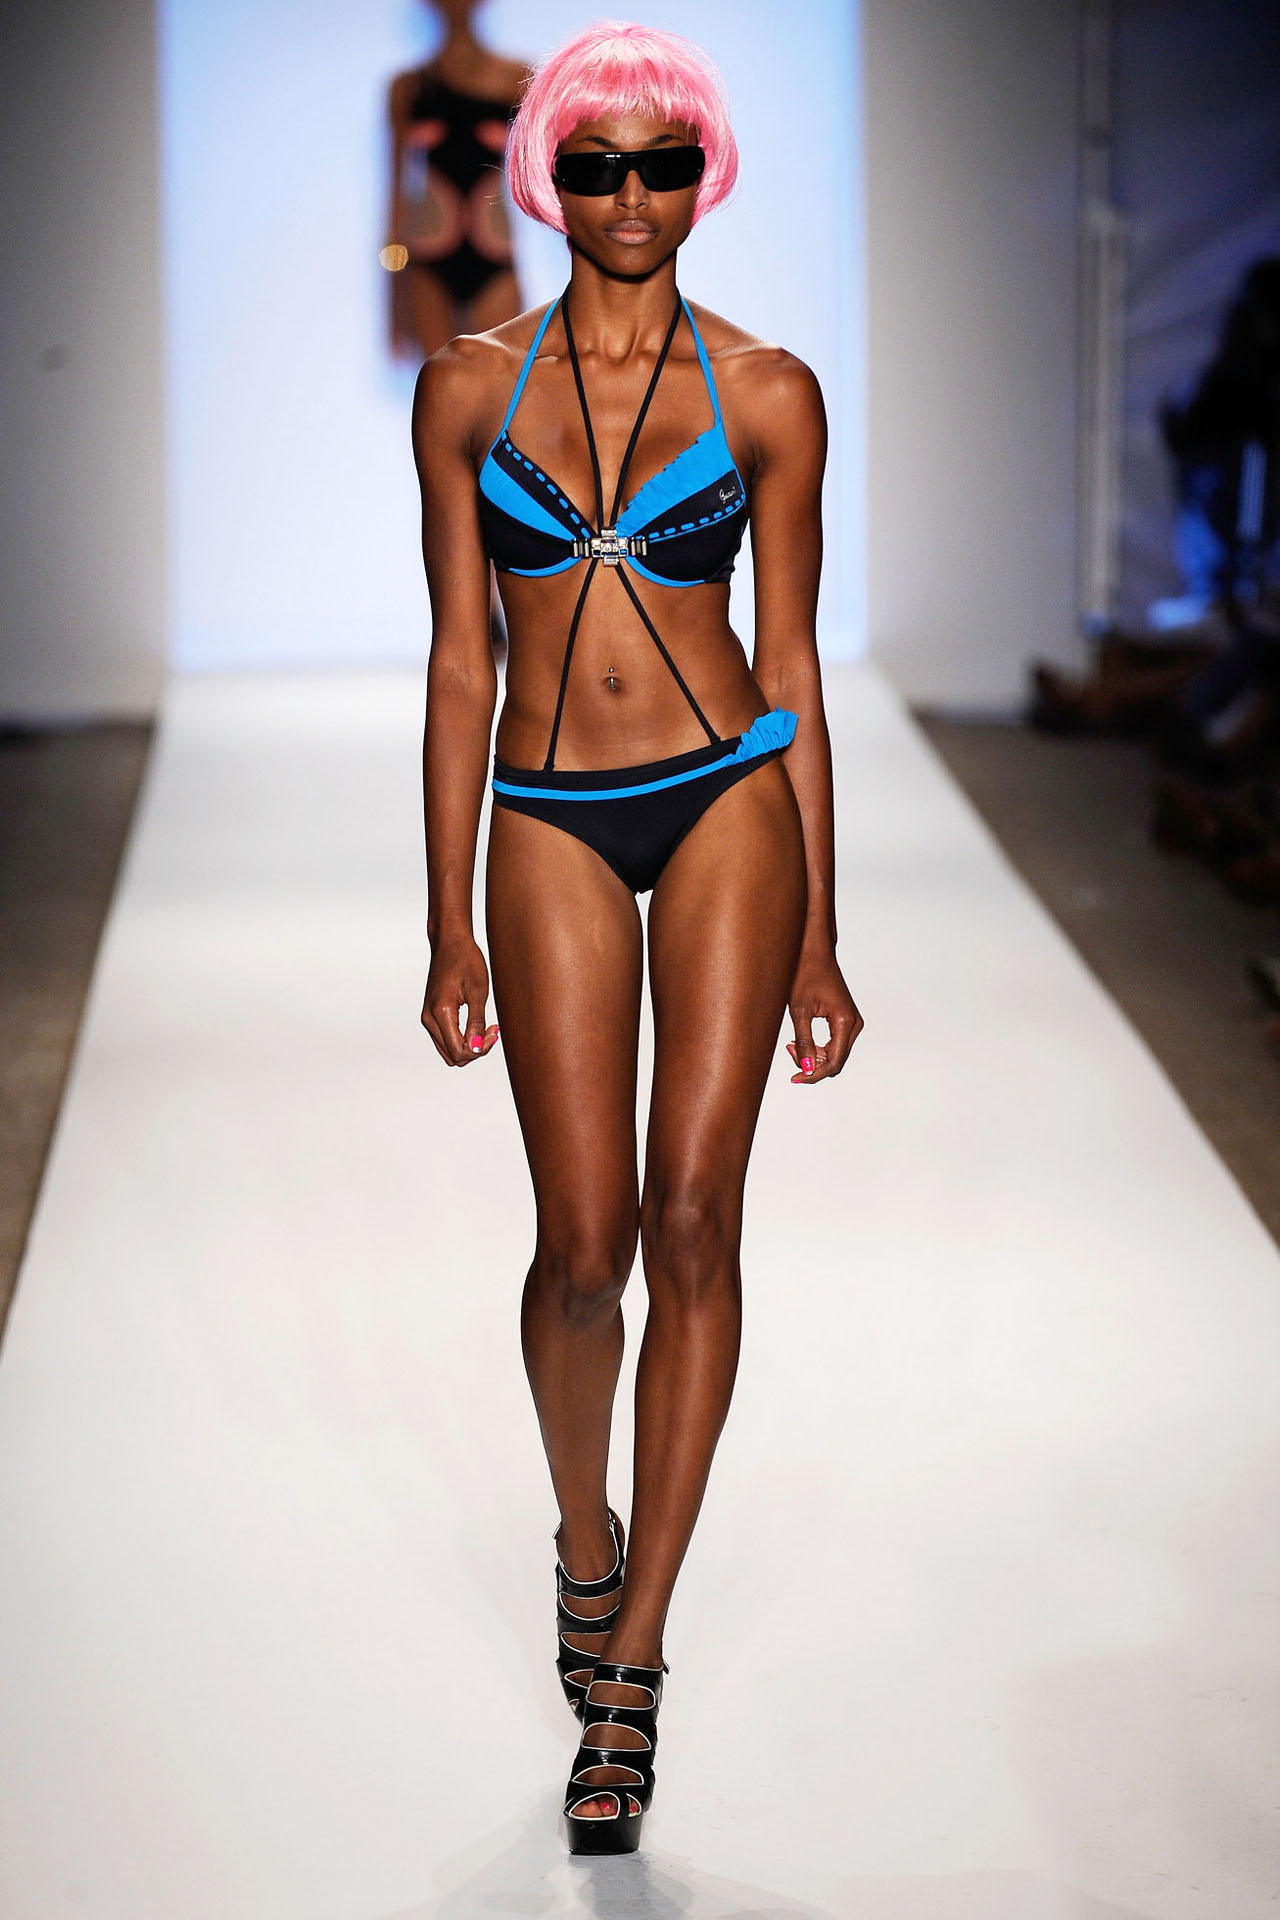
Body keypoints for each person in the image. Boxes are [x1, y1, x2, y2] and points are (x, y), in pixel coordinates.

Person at [411, 21, 862, 1855]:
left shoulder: (769, 391)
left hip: (731, 794)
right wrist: (444, 914)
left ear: (704, 176)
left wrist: (823, 935)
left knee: (694, 1220)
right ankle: (582, 1533)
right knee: (583, 1248)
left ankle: (636, 1666)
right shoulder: (465, 390)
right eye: (592, 164)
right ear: (545, 176)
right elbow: (461, 663)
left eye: (660, 163)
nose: (628, 195)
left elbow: (798, 664)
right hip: (547, 813)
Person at [386, 0, 529, 359]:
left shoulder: (517, 79)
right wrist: (394, 298)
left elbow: (547, 180)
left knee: (498, 384)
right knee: (438, 386)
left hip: (494, 256)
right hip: (428, 262)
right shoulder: (407, 88)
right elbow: (397, 196)